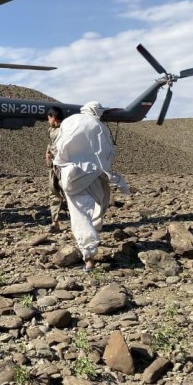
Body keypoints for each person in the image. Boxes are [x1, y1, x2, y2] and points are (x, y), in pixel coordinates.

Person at [53, 101, 127, 272]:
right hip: (93, 174)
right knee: (98, 205)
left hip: (71, 176)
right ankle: (90, 254)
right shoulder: (98, 126)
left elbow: (59, 146)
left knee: (79, 215)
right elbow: (107, 151)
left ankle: (89, 254)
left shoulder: (69, 121)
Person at [46, 106, 67, 232]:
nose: (48, 121)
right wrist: (48, 152)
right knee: (53, 192)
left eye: (49, 118)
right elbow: (51, 143)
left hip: (64, 166)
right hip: (54, 166)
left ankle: (78, 221)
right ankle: (55, 221)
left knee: (68, 193)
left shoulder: (66, 130)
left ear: (53, 117)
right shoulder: (52, 130)